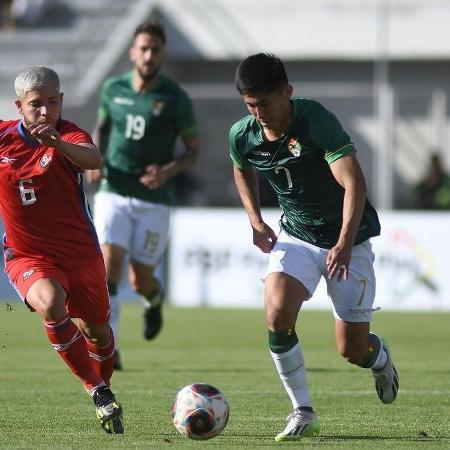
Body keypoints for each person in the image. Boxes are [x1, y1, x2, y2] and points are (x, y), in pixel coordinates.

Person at [229, 53, 399, 442]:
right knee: (276, 312)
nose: (259, 114)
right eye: (251, 105)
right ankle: (302, 410)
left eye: (266, 103)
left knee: (352, 350)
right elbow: (241, 167)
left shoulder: (316, 122)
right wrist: (255, 220)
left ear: (287, 92)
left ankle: (380, 358)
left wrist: (342, 241)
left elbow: (354, 183)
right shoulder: (243, 133)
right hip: (297, 238)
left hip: (349, 241)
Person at [0, 66, 123, 433]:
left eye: (52, 102)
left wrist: (56, 144)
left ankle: (106, 392)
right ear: (19, 106)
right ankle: (97, 389)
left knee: (98, 332)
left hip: (81, 256)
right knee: (51, 303)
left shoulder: (69, 134)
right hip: (27, 255)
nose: (45, 111)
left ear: (61, 101)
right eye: (36, 104)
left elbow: (93, 159)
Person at [87, 20, 199, 370]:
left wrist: (166, 171)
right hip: (114, 190)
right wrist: (93, 157)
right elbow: (102, 128)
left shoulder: (175, 98)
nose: (149, 54)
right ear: (133, 52)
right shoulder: (112, 88)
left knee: (141, 278)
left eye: (155, 49)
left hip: (154, 198)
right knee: (109, 268)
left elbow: (193, 150)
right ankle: (112, 348)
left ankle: (153, 301)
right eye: (144, 48)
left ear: (163, 55)